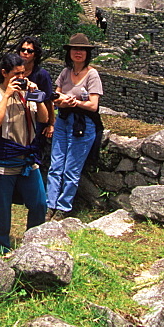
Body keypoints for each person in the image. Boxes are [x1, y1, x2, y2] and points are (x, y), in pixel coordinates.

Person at [0, 53, 49, 253]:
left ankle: (34, 243)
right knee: (2, 207)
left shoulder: (27, 92)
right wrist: (7, 96)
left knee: (40, 203)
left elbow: (44, 117)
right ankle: (1, 249)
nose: (21, 78)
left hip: (27, 158)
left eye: (23, 73)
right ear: (5, 73)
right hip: (3, 158)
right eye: (16, 74)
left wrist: (38, 97)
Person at [46, 33, 103, 221]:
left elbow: (93, 105)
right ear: (69, 52)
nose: (78, 52)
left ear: (88, 53)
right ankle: (50, 203)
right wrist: (63, 103)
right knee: (56, 165)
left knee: (72, 168)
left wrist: (73, 102)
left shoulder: (92, 75)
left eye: (82, 50)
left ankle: (64, 207)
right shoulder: (65, 72)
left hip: (83, 124)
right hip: (63, 120)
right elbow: (55, 97)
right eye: (75, 49)